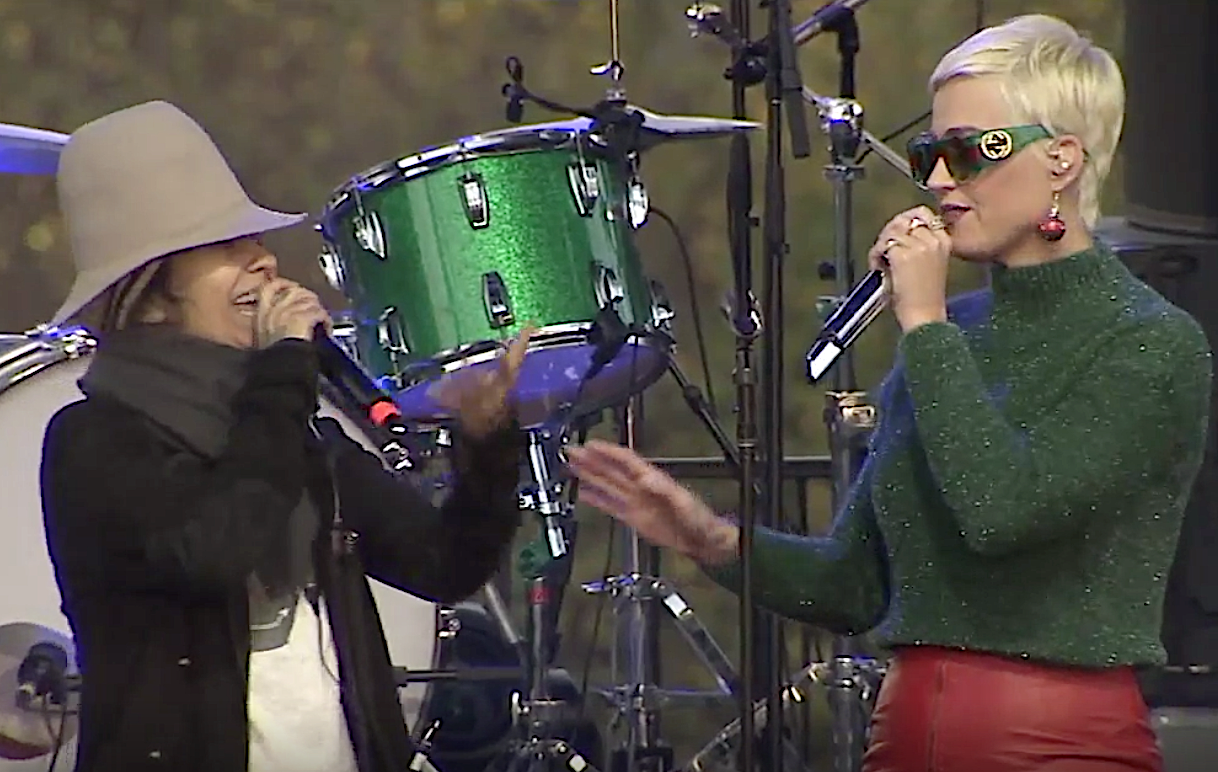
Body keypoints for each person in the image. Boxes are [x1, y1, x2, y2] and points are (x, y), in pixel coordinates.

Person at [567, 15, 1213, 772]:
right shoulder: (946, 337)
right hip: (904, 738)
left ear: (1062, 160)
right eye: (930, 154)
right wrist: (709, 538)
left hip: (1055, 744)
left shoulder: (1148, 343)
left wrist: (924, 321)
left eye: (972, 151)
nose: (940, 180)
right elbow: (854, 581)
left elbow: (1002, 512)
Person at [39, 101, 528, 772]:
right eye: (228, 247)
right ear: (149, 289)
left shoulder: (294, 436)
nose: (264, 262)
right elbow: (216, 546)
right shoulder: (94, 441)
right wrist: (283, 369)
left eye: (257, 242)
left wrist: (489, 443)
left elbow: (445, 563)